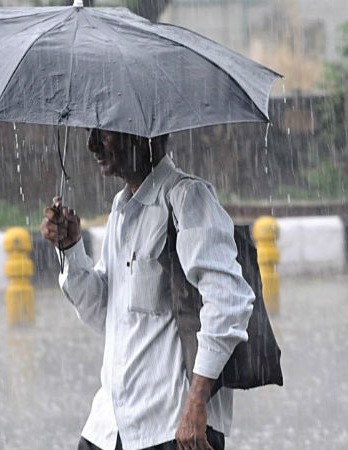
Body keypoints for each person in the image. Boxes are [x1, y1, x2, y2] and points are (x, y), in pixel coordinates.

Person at [40, 129, 255, 450]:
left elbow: (228, 301)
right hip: (109, 425)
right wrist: (71, 249)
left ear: (143, 134)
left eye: (103, 131)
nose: (92, 144)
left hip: (171, 426)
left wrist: (197, 404)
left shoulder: (187, 198)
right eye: (90, 132)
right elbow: (106, 313)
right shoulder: (122, 208)